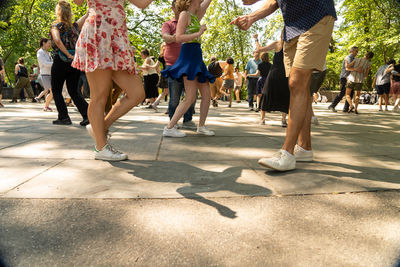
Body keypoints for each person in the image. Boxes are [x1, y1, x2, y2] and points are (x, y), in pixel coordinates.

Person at [232, 0, 336, 171]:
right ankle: (304, 147)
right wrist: (251, 18)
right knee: (298, 87)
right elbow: (275, 1)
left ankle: (287, 154)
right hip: (292, 27)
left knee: (297, 82)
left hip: (317, 15)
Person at [72, 0, 153, 161]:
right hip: (97, 33)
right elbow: (78, 2)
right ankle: (101, 148)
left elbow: (142, 3)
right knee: (100, 96)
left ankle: (100, 128)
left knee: (137, 93)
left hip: (117, 38)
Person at [161, 0, 215, 137]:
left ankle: (201, 126)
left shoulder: (196, 15)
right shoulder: (185, 14)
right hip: (188, 56)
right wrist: (199, 33)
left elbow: (207, 1)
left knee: (206, 95)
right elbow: (178, 37)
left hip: (197, 56)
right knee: (190, 97)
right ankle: (169, 128)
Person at [50, 1, 89, 125]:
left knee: (56, 90)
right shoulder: (75, 27)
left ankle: (64, 117)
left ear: (58, 12)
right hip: (74, 61)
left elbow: (57, 40)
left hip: (61, 60)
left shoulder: (55, 26)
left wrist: (67, 54)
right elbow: (87, 15)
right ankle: (88, 115)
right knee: (74, 91)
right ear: (69, 13)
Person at [162, 0, 196, 128]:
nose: (181, 8)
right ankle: (173, 122)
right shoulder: (168, 24)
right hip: (173, 65)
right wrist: (178, 36)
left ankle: (188, 120)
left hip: (188, 65)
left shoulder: (190, 20)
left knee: (191, 95)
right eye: (178, 6)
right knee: (174, 97)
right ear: (172, 8)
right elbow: (165, 37)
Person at [256, 33, 289, 127]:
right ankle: (283, 120)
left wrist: (256, 39)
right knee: (285, 96)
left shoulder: (277, 44)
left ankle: (262, 119)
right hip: (285, 74)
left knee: (266, 94)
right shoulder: (292, 45)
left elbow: (260, 49)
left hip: (274, 73)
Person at [328, 47, 360, 112]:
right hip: (345, 77)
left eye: (357, 51)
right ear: (351, 51)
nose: (357, 53)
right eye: (356, 51)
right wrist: (356, 69)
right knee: (343, 92)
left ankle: (346, 108)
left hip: (351, 78)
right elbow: (347, 67)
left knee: (350, 93)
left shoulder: (354, 59)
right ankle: (332, 106)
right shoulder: (348, 57)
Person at [35, 38, 54, 112]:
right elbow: (45, 63)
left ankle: (46, 106)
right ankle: (46, 106)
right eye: (48, 43)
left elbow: (50, 63)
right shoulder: (40, 52)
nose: (50, 45)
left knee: (52, 91)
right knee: (52, 90)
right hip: (45, 74)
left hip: (50, 74)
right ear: (43, 43)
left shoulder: (48, 53)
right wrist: (55, 64)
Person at [151, 42, 169, 111]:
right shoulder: (169, 54)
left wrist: (146, 67)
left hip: (165, 74)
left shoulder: (161, 56)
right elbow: (155, 66)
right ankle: (168, 108)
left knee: (165, 92)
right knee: (168, 91)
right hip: (169, 73)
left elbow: (155, 66)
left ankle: (155, 103)